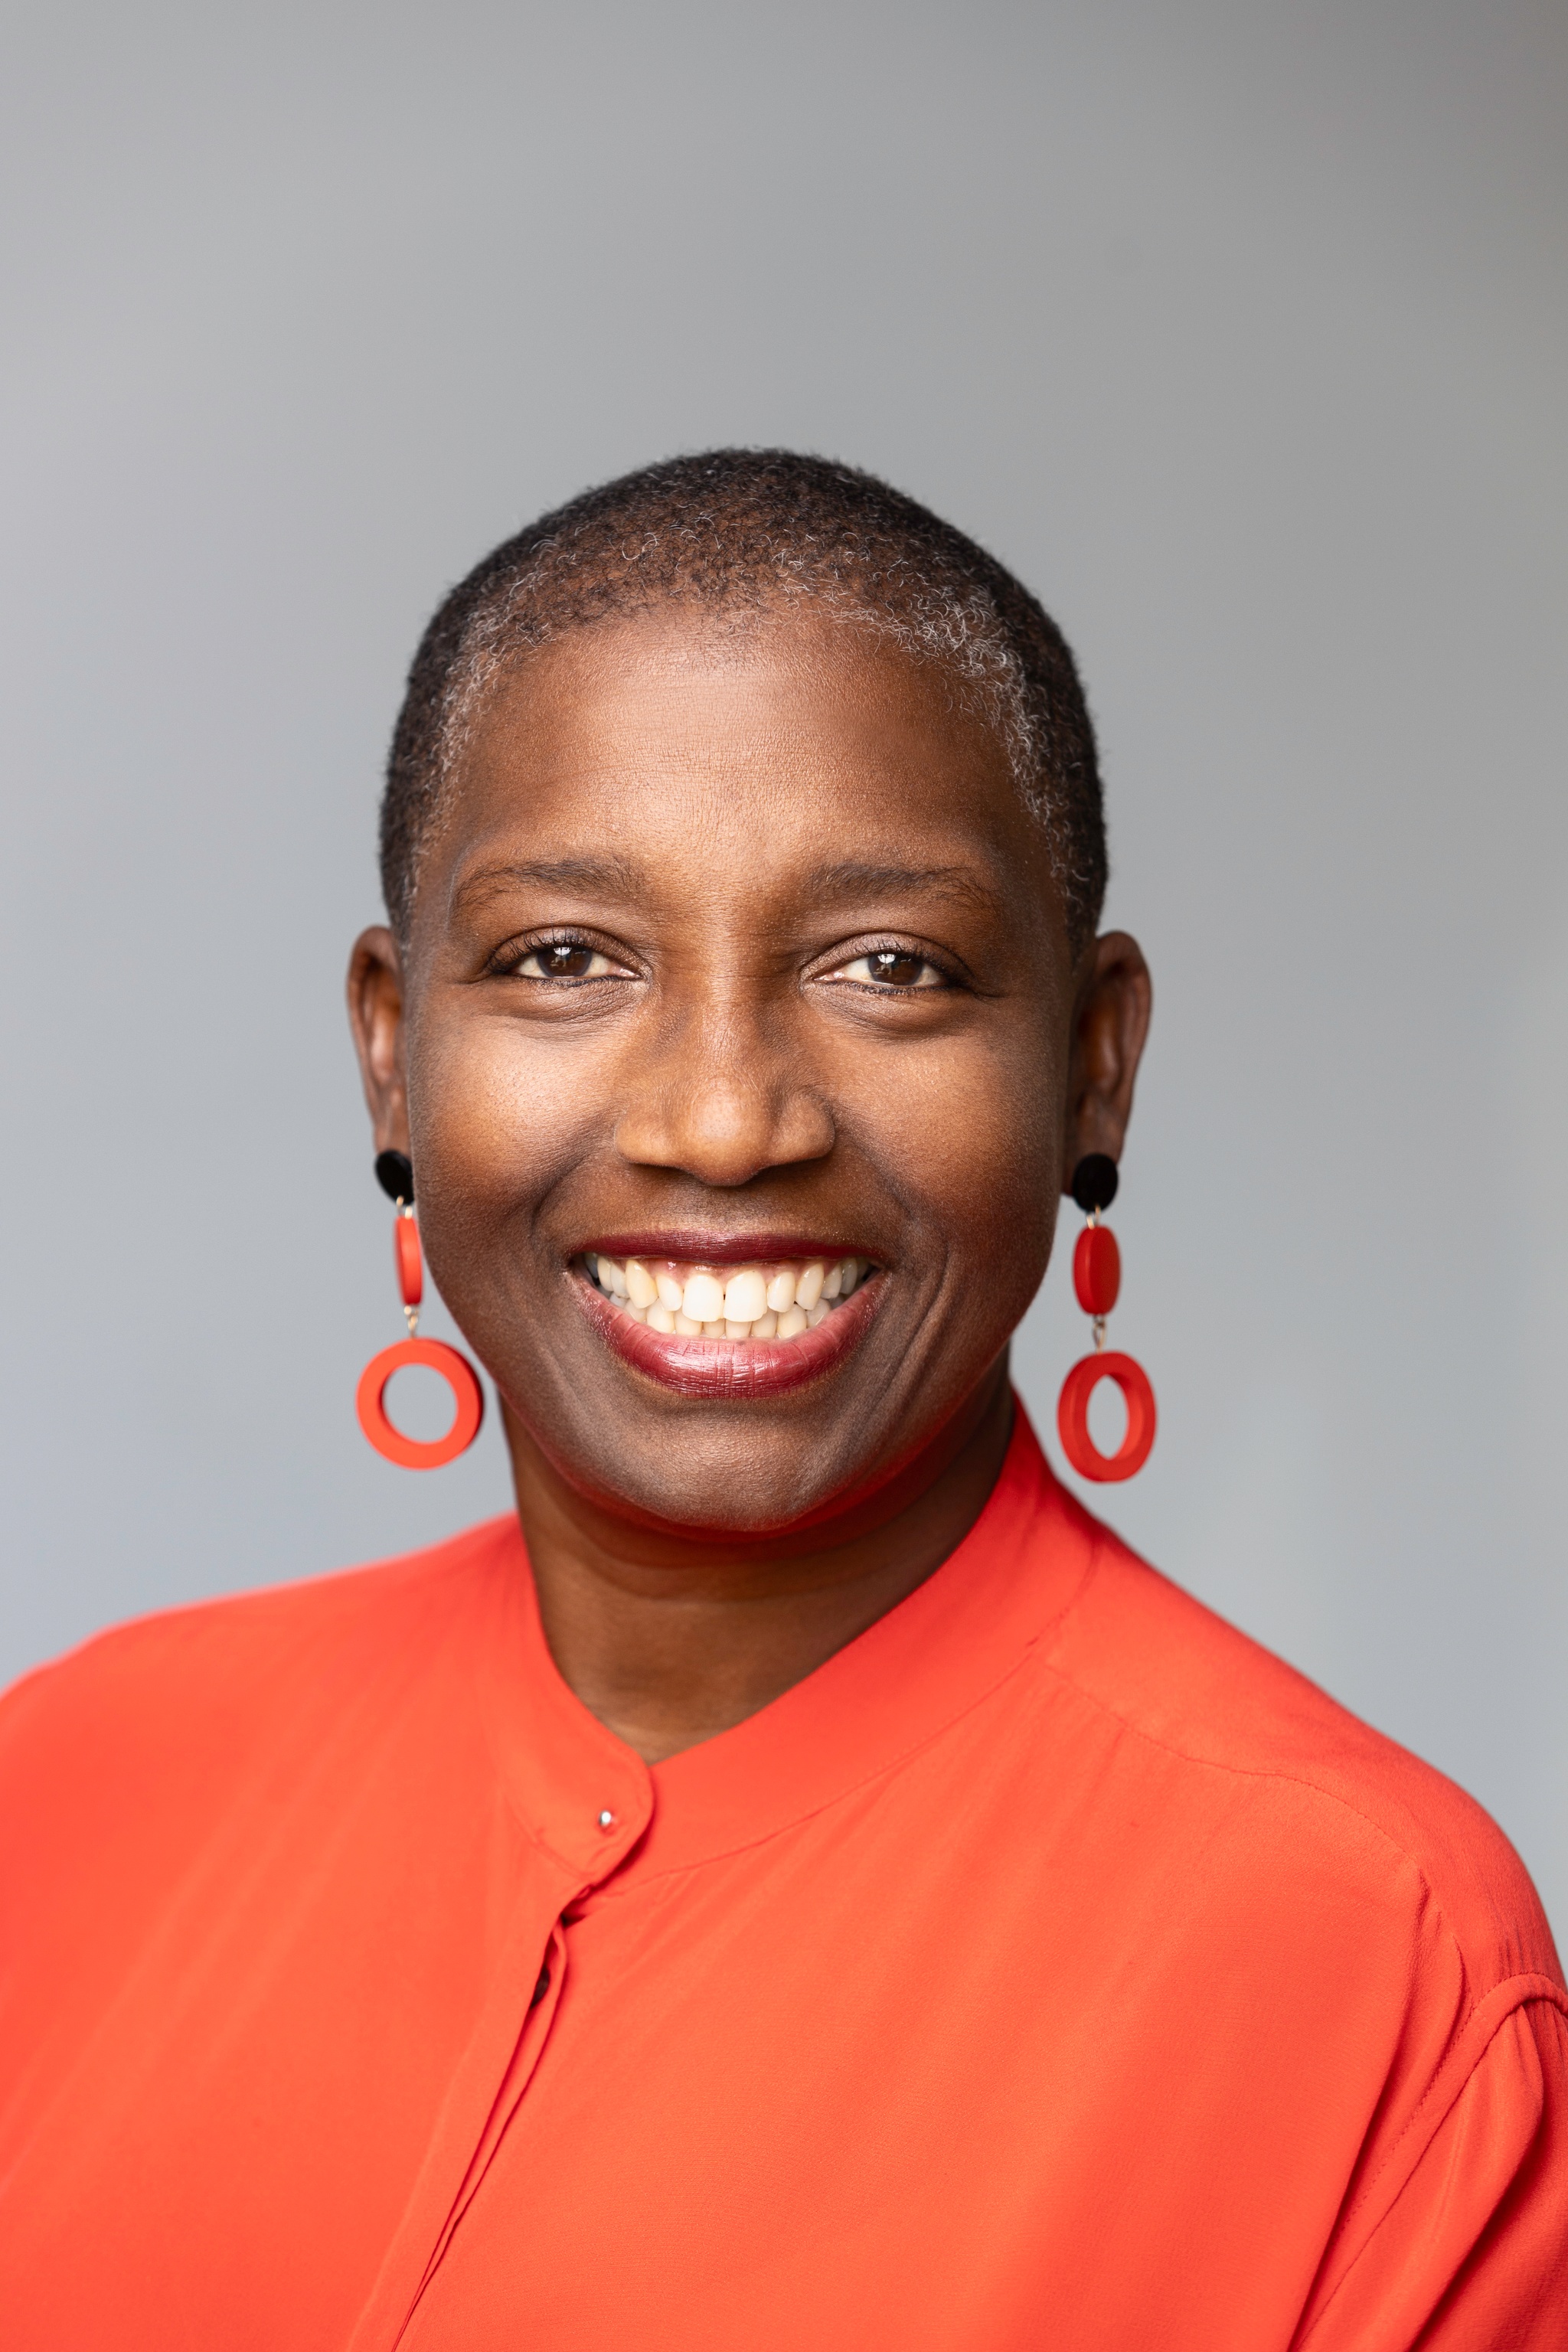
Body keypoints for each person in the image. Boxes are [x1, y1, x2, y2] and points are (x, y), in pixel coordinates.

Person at [1, 451, 1563, 2350]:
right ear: (395, 1056)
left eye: (887, 967)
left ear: (1091, 1064)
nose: (725, 1120)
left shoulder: (1377, 1964)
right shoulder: (68, 1783)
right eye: (566, 958)